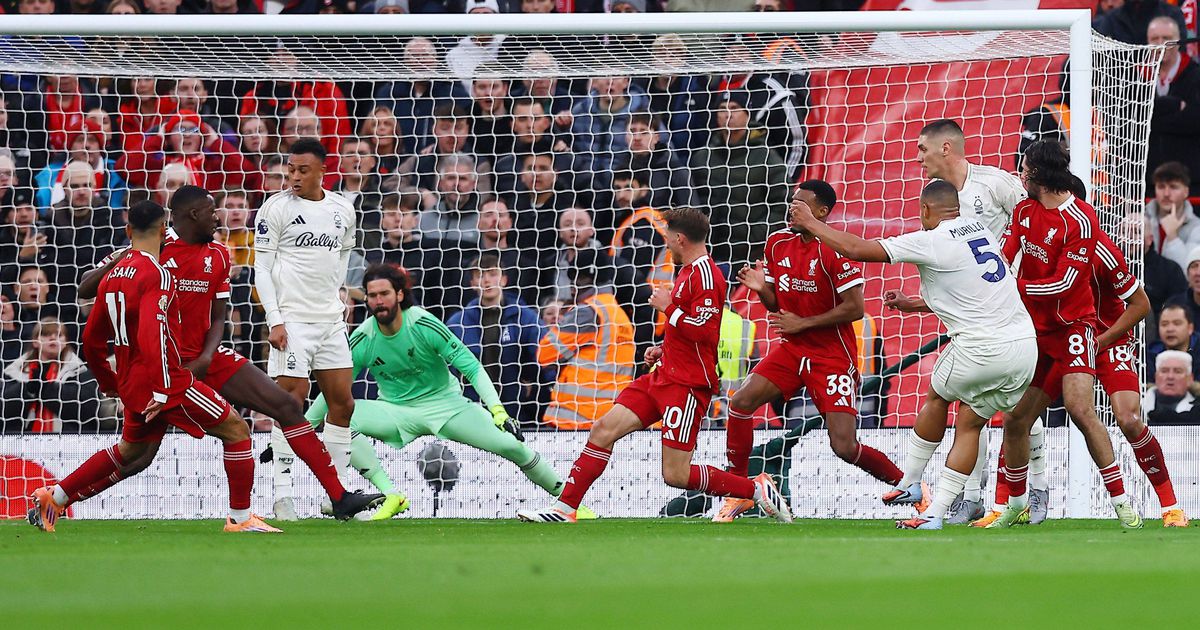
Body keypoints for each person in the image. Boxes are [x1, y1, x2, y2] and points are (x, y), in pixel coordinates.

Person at [77, 186, 382, 521]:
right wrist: (123, 256)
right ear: (193, 214)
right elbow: (86, 287)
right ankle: (61, 499)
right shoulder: (153, 252)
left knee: (285, 405)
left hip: (208, 356)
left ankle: (339, 497)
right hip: (164, 364)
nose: (217, 218)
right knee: (138, 456)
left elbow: (219, 313)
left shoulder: (219, 254)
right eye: (211, 211)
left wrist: (208, 356)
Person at [518, 208, 791, 523]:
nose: (667, 248)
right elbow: (696, 330)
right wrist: (664, 349)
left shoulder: (706, 274)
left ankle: (754, 488)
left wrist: (668, 308)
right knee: (603, 429)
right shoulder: (688, 271)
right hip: (662, 377)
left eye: (669, 241)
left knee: (675, 474)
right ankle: (565, 510)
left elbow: (703, 330)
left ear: (679, 238)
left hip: (687, 387)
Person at [790, 180, 1037, 530]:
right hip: (1024, 348)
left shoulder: (932, 239)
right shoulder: (978, 229)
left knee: (937, 396)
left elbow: (858, 249)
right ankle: (935, 514)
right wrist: (913, 304)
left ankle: (909, 480)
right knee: (969, 422)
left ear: (924, 210)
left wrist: (813, 224)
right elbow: (970, 289)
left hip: (983, 348)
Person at [28, 201, 279, 534]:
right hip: (164, 381)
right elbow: (153, 334)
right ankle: (240, 517)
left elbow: (90, 339)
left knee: (131, 449)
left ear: (129, 231)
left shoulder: (115, 274)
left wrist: (110, 381)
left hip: (132, 380)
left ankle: (55, 497)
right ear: (164, 230)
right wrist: (163, 389)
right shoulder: (157, 274)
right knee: (236, 429)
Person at [304, 264, 586, 521]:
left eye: (385, 294)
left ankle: (569, 504)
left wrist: (498, 411)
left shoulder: (424, 324)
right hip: (396, 411)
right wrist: (299, 429)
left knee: (512, 447)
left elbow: (472, 368)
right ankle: (392, 495)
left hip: (447, 406)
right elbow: (334, 392)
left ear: (400, 295)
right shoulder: (364, 338)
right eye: (372, 295)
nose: (378, 301)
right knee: (338, 417)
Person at [712, 181, 904, 523]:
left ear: (821, 212)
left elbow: (856, 308)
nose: (792, 209)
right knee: (741, 404)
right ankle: (740, 491)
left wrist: (804, 323)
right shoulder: (777, 242)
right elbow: (776, 302)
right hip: (791, 351)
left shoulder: (836, 248)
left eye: (801, 205)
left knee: (844, 446)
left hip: (831, 357)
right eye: (791, 203)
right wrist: (760, 289)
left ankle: (909, 487)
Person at [983, 223, 1187, 528]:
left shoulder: (1100, 250)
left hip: (1106, 341)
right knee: (1018, 416)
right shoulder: (1037, 244)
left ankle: (1171, 507)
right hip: (1062, 341)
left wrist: (1101, 341)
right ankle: (1007, 506)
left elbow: (1141, 305)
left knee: (1128, 419)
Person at [991, 140, 1141, 529]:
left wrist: (1013, 288)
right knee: (1015, 418)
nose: (1019, 175)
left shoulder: (1081, 219)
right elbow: (1007, 253)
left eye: (1023, 169)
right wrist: (991, 278)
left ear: (1038, 173)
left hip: (1074, 327)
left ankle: (1122, 503)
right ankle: (1015, 504)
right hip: (1036, 332)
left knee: (1079, 409)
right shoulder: (1024, 210)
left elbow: (1064, 282)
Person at [912, 118, 1032, 523]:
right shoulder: (937, 201)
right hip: (977, 312)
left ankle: (1038, 488)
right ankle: (971, 497)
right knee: (972, 410)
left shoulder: (995, 183)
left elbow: (1035, 222)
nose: (918, 157)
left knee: (1022, 408)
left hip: (1017, 306)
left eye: (922, 149)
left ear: (946, 148)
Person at [253, 138, 361, 519]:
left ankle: (337, 495)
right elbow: (261, 269)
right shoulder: (275, 209)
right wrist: (275, 319)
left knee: (343, 404)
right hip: (292, 320)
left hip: (330, 321)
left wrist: (341, 296)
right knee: (290, 403)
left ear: (321, 172)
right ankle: (282, 493)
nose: (294, 177)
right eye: (291, 169)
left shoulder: (342, 209)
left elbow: (343, 256)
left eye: (302, 170)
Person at [536, 248, 636, 430]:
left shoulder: (587, 312)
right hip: (611, 417)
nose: (572, 285)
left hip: (576, 416)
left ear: (585, 278)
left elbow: (545, 354)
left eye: (575, 277)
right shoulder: (618, 314)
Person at [690, 89, 789, 266]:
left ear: (747, 114)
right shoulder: (701, 157)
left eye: (734, 108)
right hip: (707, 255)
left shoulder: (767, 159)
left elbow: (782, 208)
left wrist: (754, 236)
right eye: (722, 108)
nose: (727, 114)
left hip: (749, 257)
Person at [447, 253, 547, 426]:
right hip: (473, 408)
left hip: (517, 408)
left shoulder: (525, 317)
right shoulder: (458, 323)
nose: (486, 281)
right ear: (472, 284)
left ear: (504, 279)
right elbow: (445, 366)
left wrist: (535, 387)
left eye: (492, 274)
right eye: (480, 275)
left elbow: (545, 354)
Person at [1, 316, 102, 434]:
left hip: (67, 442)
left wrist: (45, 388)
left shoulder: (80, 372)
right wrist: (27, 390)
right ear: (35, 342)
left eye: (59, 335)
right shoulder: (13, 372)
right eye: (46, 334)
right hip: (19, 442)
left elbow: (87, 411)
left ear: (65, 341)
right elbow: (4, 410)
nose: (53, 338)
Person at [1147, 15, 1200, 195]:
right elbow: (1130, 118)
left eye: (1167, 38)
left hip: (1191, 182)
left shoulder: (1196, 75)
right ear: (1147, 42)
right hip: (1147, 183)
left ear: (1179, 41)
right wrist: (1175, 105)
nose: (1161, 43)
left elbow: (1194, 121)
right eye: (1155, 39)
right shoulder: (1136, 78)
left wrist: (1152, 118)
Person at [1144, 162, 1200, 270]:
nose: (1166, 193)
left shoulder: (1197, 228)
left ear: (1186, 192)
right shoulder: (1141, 220)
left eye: (1173, 187)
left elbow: (1188, 274)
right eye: (1161, 187)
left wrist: (1172, 237)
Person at [1143, 350, 1200, 424]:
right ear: (1155, 377)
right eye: (1164, 371)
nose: (1170, 377)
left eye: (1178, 371)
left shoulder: (1197, 412)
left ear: (1190, 378)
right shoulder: (1136, 407)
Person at [1147, 303, 1200, 381]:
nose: (1170, 329)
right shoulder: (1150, 356)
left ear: (1190, 328)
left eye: (1177, 323)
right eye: (1164, 324)